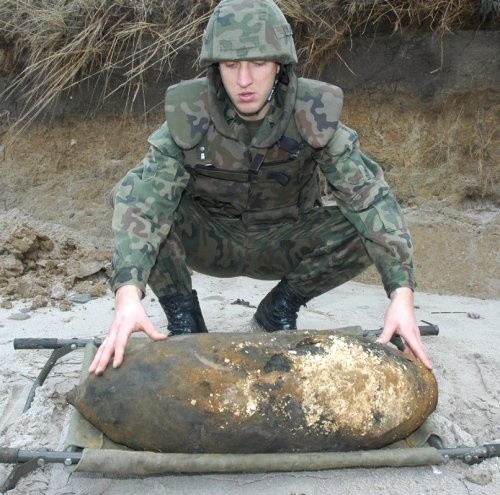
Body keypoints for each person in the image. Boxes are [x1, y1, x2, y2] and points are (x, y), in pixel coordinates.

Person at [89, 0, 432, 375]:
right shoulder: (190, 113)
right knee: (136, 197)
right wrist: (127, 295)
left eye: (259, 64)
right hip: (210, 239)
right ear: (215, 68)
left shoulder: (312, 113)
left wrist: (402, 295)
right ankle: (184, 319)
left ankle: (279, 309)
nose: (244, 80)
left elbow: (371, 201)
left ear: (280, 67)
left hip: (284, 239)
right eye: (231, 65)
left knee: (362, 226)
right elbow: (144, 204)